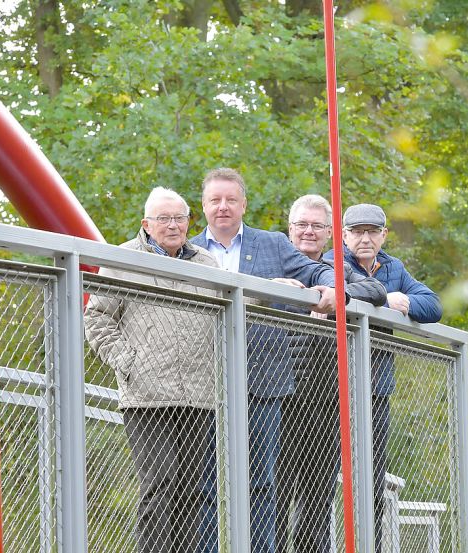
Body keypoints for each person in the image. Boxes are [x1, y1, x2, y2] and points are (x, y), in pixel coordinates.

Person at [189, 168, 340, 553]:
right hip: (203, 381)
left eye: (231, 200)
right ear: (203, 206)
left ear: (244, 204)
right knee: (204, 484)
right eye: (214, 200)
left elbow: (318, 269)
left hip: (264, 377)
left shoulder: (272, 244)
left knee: (261, 482)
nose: (223, 207)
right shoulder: (188, 252)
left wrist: (327, 288)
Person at [84, 187, 219, 552]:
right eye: (163, 218)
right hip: (146, 395)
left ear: (189, 221)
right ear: (146, 224)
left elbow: (230, 313)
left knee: (193, 490)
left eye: (179, 218)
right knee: (160, 482)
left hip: (200, 393)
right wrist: (128, 363)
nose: (173, 225)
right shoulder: (123, 258)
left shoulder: (207, 263)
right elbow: (97, 316)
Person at [325, 203, 442, 549]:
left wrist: (399, 299)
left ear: (383, 235)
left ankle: (370, 546)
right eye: (357, 232)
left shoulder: (393, 267)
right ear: (344, 235)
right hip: (332, 383)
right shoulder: (332, 263)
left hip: (375, 386)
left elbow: (432, 305)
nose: (365, 238)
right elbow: (346, 292)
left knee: (373, 478)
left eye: (372, 232)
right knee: (322, 476)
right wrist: (382, 298)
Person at [276, 194, 387, 552]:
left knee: (316, 498)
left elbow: (376, 289)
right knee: (273, 493)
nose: (308, 232)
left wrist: (328, 292)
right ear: (289, 229)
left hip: (325, 397)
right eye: (301, 225)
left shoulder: (337, 269)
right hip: (275, 396)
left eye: (316, 226)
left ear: (328, 233)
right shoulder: (273, 259)